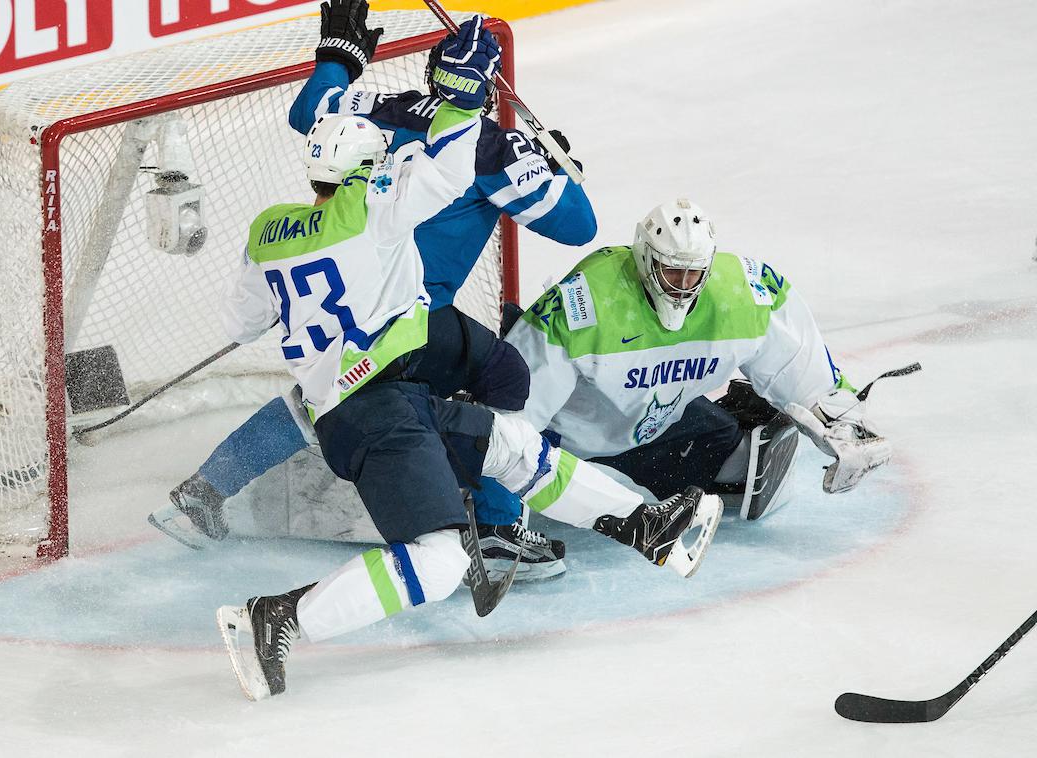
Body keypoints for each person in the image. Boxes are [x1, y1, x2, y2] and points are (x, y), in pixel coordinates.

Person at [212, 21, 721, 701]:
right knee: (440, 560)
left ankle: (643, 525)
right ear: (363, 171)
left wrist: (339, 61)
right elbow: (477, 180)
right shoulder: (377, 210)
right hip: (371, 409)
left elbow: (243, 321)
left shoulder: (268, 230)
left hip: (378, 390)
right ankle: (274, 618)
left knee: (513, 445)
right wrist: (472, 105)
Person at [150, 0, 596, 580]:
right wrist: (547, 165)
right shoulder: (490, 147)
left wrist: (340, 57)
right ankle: (497, 528)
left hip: (335, 299)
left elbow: (310, 111)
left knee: (330, 391)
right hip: (408, 313)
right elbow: (579, 225)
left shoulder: (383, 109)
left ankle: (206, 488)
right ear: (484, 88)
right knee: (504, 375)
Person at [473, 197, 892, 527]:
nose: (682, 287)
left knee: (732, 449)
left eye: (694, 275)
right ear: (645, 258)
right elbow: (513, 410)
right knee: (517, 463)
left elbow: (796, 356)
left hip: (653, 422)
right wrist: (499, 517)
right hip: (566, 440)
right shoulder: (586, 305)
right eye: (672, 273)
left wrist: (839, 418)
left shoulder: (743, 292)